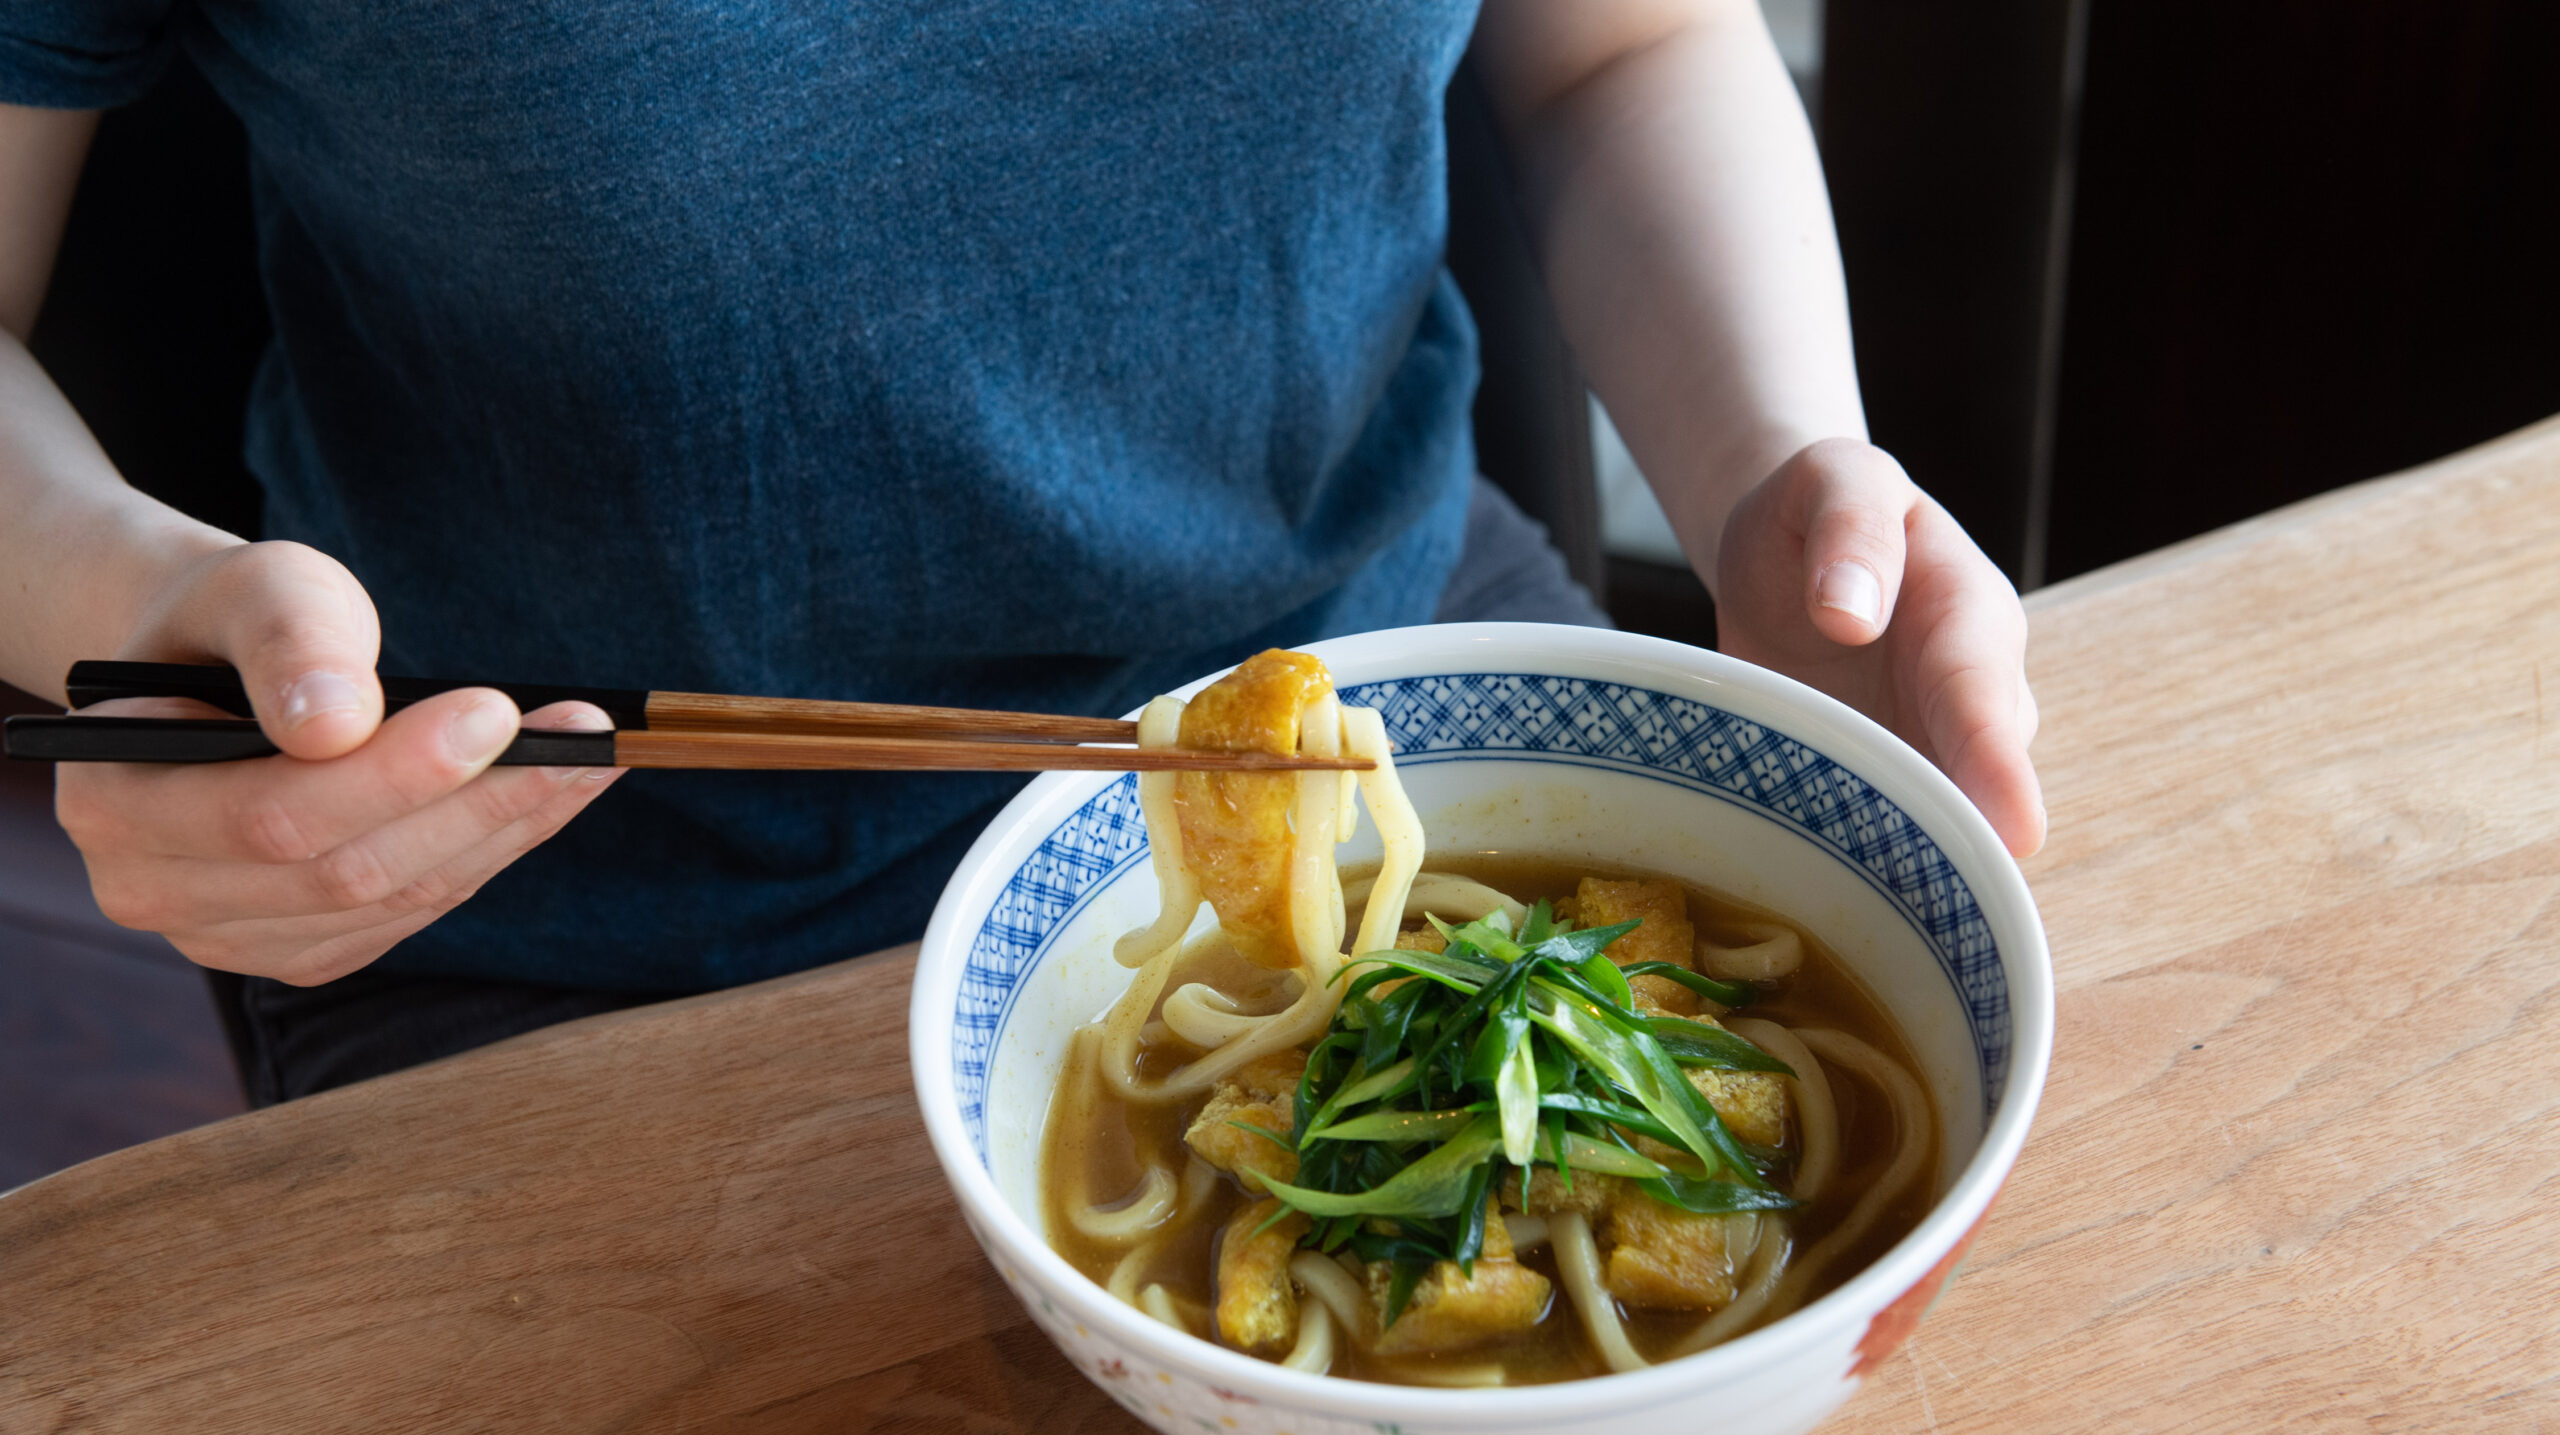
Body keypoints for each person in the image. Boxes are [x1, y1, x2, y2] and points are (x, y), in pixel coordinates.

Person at [0, 0, 2042, 1105]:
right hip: (560, 892)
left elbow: (1616, 46)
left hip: (1387, 686)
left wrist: (1777, 460)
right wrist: (120, 600)